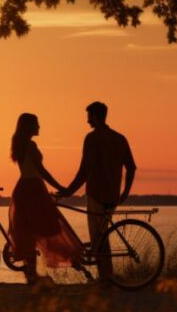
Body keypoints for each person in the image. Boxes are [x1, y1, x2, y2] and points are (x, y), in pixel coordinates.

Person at [57, 101, 137, 282]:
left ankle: (106, 278)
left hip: (96, 194)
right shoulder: (119, 138)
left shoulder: (92, 138)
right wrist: (125, 193)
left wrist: (68, 190)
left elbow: (85, 170)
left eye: (88, 117)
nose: (87, 121)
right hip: (113, 195)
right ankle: (107, 276)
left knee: (98, 239)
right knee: (102, 237)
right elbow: (131, 168)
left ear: (94, 116)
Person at [8, 113, 84, 284]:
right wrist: (61, 187)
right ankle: (73, 259)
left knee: (29, 232)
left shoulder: (20, 144)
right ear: (29, 127)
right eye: (37, 124)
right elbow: (41, 171)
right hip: (33, 188)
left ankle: (31, 274)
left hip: (24, 188)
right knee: (50, 226)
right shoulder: (30, 145)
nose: (39, 127)